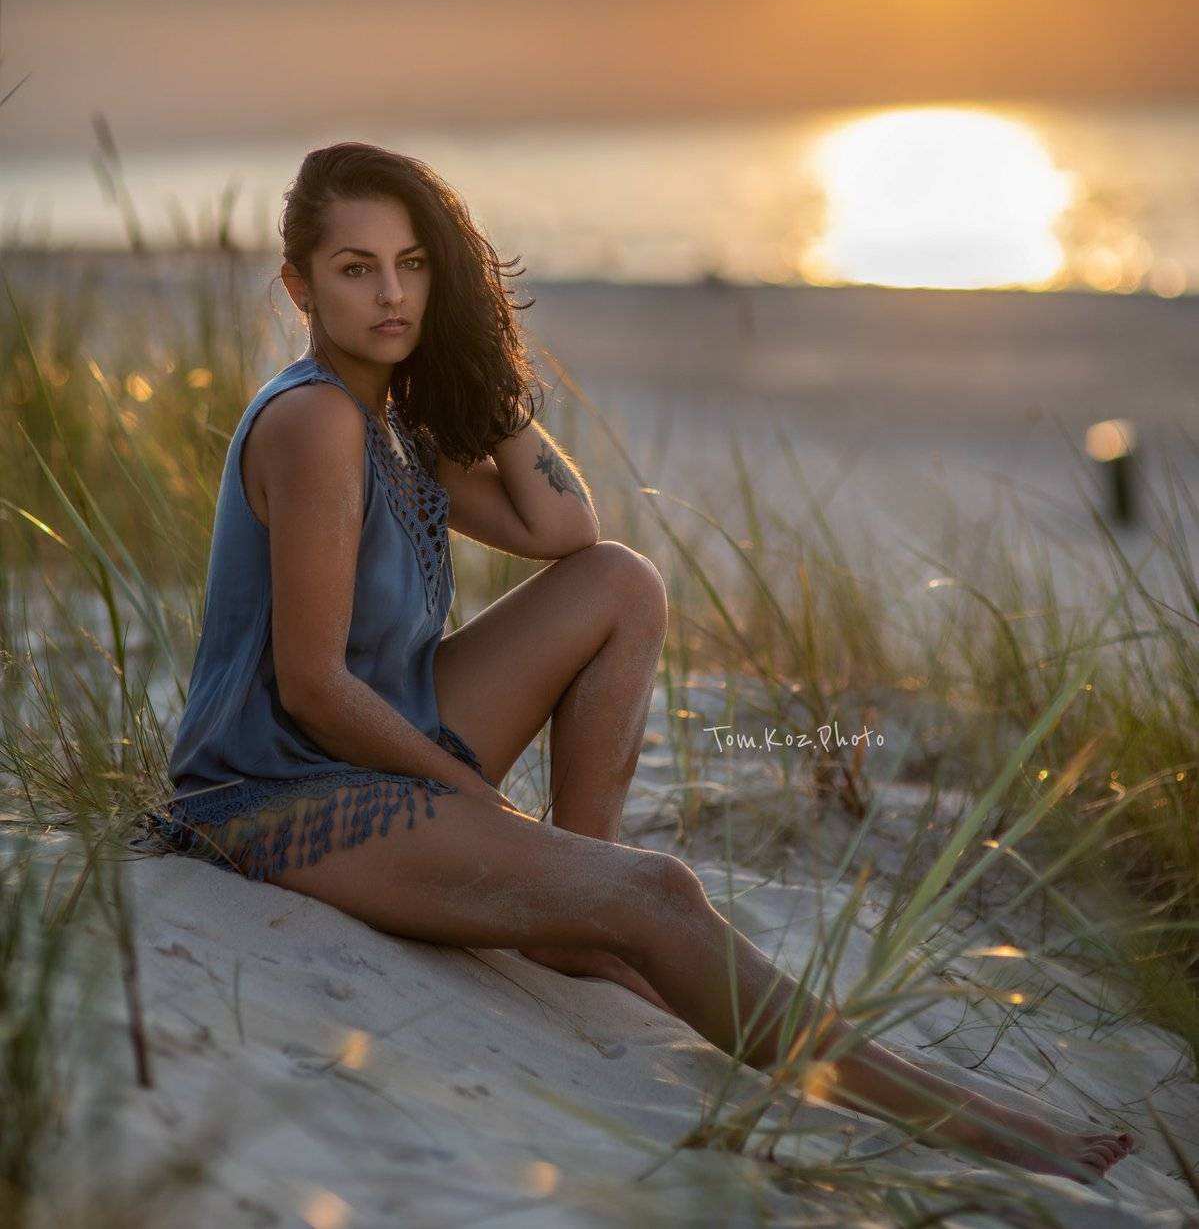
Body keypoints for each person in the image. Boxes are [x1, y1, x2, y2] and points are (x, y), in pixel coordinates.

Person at [145, 142, 1134, 1183]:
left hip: (380, 748)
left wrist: (489, 383)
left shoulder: (389, 426)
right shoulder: (311, 423)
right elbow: (310, 686)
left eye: (412, 264)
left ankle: (578, 905)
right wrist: (474, 805)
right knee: (658, 893)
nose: (391, 293)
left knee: (621, 581)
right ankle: (973, 1123)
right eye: (355, 269)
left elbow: (567, 530)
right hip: (275, 795)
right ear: (298, 285)